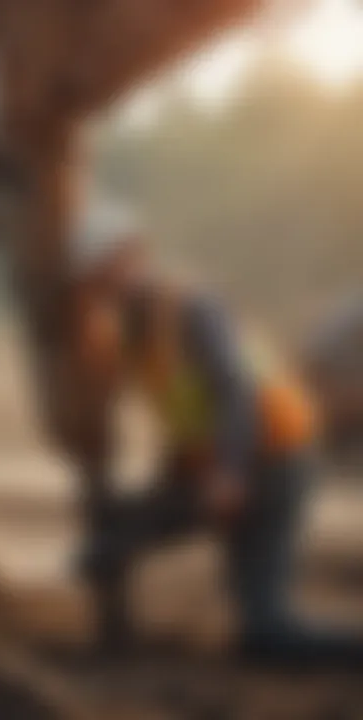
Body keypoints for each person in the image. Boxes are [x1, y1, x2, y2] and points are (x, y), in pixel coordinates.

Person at [72, 203, 363, 669]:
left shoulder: (191, 307)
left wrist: (228, 473)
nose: (101, 283)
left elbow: (235, 389)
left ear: (133, 253)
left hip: (271, 464)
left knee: (268, 630)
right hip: (227, 466)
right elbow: (183, 414)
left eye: (106, 266)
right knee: (259, 630)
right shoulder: (131, 329)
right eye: (92, 276)